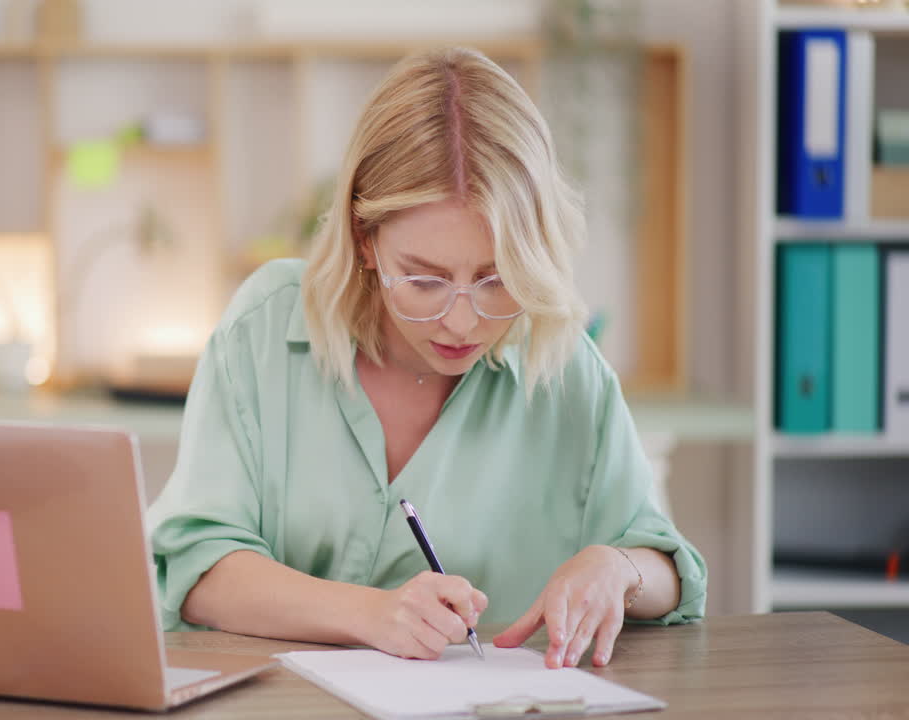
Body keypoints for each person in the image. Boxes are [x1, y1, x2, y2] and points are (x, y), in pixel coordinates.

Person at [146, 47, 706, 670]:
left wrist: (616, 567)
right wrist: (372, 614)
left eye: (496, 279)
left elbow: (668, 569)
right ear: (365, 242)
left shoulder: (566, 366)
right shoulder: (265, 328)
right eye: (425, 279)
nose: (463, 321)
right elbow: (196, 567)